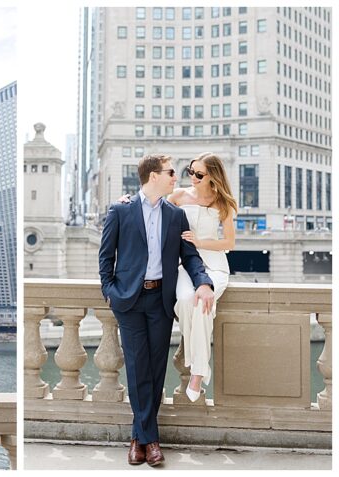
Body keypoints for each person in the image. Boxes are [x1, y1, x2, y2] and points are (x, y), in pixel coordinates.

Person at [99, 153, 215, 466]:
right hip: (130, 301)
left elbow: (190, 257)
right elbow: (105, 256)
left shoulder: (175, 215)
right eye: (171, 172)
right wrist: (109, 291)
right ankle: (150, 441)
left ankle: (140, 438)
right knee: (137, 370)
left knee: (156, 369)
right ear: (154, 176)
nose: (176, 177)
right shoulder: (121, 210)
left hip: (160, 301)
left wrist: (204, 283)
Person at [121, 153, 236, 402]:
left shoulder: (222, 202)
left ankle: (198, 370)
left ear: (212, 176)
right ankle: (198, 360)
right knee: (185, 300)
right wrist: (128, 200)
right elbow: (151, 201)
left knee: (204, 302)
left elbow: (229, 242)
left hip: (215, 265)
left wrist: (200, 242)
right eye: (190, 171)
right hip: (187, 264)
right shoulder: (180, 196)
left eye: (199, 174)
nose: (192, 177)